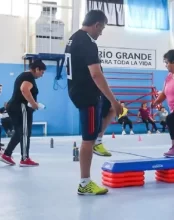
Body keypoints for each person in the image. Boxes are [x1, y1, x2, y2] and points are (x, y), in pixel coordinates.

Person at [65, 10, 122, 195]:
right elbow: (96, 74)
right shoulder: (88, 42)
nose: (101, 33)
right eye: (102, 28)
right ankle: (85, 182)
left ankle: (98, 139)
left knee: (105, 117)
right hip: (87, 96)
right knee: (87, 140)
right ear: (96, 25)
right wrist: (113, 100)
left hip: (81, 92)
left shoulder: (74, 38)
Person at [0, 60, 46, 166]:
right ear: (37, 69)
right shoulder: (28, 76)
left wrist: (34, 103)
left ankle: (6, 154)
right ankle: (25, 159)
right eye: (42, 72)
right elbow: (24, 90)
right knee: (25, 132)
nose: (42, 75)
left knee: (19, 132)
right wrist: (34, 104)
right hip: (21, 107)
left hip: (16, 107)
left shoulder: (25, 76)